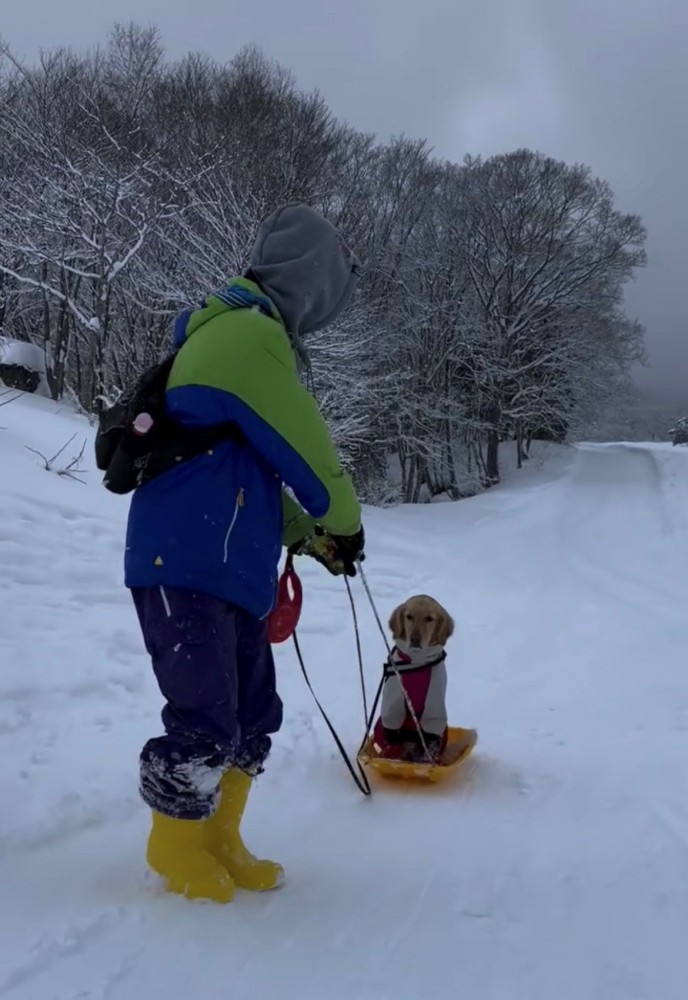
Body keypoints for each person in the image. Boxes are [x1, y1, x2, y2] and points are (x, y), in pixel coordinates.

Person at [125, 204, 365, 903]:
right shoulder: (243, 336)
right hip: (184, 561)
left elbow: (252, 470)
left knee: (252, 715)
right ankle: (175, 846)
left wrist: (307, 537)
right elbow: (304, 449)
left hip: (228, 568)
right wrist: (342, 520)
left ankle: (219, 837)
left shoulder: (250, 339)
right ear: (312, 284)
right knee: (205, 715)